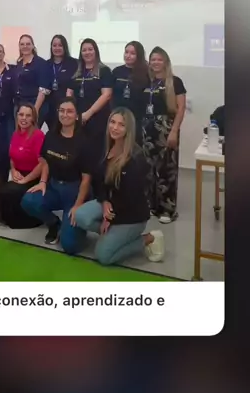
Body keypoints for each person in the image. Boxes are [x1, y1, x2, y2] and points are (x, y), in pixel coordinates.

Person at [72, 108, 165, 264]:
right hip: (111, 202)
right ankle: (113, 237)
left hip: (131, 215)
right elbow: (99, 181)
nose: (115, 128)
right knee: (80, 215)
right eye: (112, 122)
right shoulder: (107, 147)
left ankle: (148, 238)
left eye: (121, 125)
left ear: (129, 129)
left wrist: (111, 220)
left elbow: (131, 198)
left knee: (103, 256)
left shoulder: (135, 158)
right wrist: (103, 201)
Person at [21, 97, 92, 248]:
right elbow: (45, 161)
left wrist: (78, 205)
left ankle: (78, 226)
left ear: (77, 115)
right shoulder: (51, 135)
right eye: (62, 111)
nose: (65, 115)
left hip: (74, 191)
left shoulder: (84, 142)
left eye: (70, 111)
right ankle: (54, 223)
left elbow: (86, 179)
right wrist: (42, 182)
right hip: (54, 187)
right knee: (28, 200)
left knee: (70, 246)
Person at [142, 46, 186, 223]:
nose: (156, 62)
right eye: (153, 59)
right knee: (149, 170)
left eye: (159, 59)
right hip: (147, 130)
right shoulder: (147, 81)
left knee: (167, 170)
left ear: (166, 62)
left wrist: (174, 131)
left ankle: (167, 209)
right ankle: (151, 205)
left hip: (167, 129)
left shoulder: (175, 82)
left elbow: (181, 108)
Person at [0, 103, 45, 228]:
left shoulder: (38, 135)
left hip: (33, 176)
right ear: (17, 116)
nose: (24, 118)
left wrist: (25, 180)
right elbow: (12, 156)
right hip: (19, 173)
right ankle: (6, 216)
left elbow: (42, 164)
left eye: (28, 115)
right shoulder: (15, 134)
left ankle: (28, 220)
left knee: (8, 191)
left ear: (33, 118)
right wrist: (13, 170)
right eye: (21, 115)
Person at [66, 38, 113, 165]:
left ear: (96, 51)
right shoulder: (77, 71)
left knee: (96, 154)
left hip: (98, 119)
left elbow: (107, 95)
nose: (87, 52)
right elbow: (69, 93)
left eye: (90, 49)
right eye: (84, 50)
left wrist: (88, 113)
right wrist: (71, 112)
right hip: (78, 119)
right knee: (79, 153)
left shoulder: (104, 71)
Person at [111, 41, 149, 143]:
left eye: (132, 53)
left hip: (137, 118)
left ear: (139, 55)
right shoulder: (117, 71)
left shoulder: (146, 73)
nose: (128, 56)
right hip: (118, 116)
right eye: (126, 52)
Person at [41, 34, 78, 130]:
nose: (57, 48)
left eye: (60, 45)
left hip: (67, 108)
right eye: (54, 45)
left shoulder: (74, 63)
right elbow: (43, 87)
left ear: (65, 47)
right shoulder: (46, 64)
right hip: (50, 109)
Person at [14, 34, 50, 127]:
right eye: (22, 44)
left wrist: (35, 110)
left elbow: (43, 89)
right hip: (21, 105)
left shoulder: (41, 63)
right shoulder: (19, 63)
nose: (25, 46)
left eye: (28, 44)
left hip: (35, 105)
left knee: (32, 133)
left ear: (33, 46)